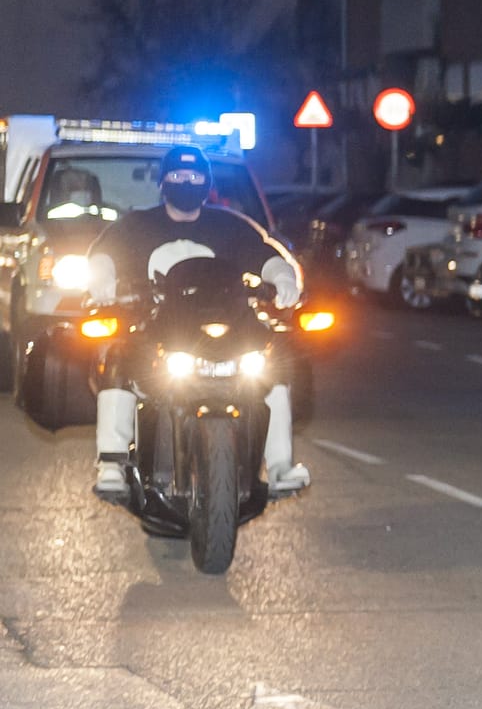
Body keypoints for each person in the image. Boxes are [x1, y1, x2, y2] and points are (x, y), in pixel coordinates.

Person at [84, 145, 311, 500]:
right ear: (163, 182)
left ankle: (281, 466)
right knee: (118, 361)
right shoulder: (137, 225)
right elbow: (103, 255)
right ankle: (111, 463)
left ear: (207, 183)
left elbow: (266, 254)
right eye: (177, 176)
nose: (186, 182)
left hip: (227, 331)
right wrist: (101, 279)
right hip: (157, 331)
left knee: (273, 371)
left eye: (194, 176)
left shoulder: (231, 226)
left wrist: (282, 279)